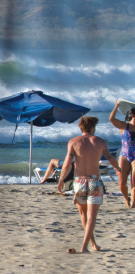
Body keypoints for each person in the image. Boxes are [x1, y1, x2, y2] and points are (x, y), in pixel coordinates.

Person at [58, 116, 121, 254]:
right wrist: (118, 169)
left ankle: (91, 244)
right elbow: (111, 158)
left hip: (79, 181)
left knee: (83, 215)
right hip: (95, 181)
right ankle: (86, 246)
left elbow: (67, 164)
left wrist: (61, 180)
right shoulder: (99, 141)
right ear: (92, 128)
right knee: (92, 216)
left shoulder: (73, 142)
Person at [109, 101, 135, 208]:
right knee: (122, 184)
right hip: (124, 155)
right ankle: (126, 199)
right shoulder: (124, 126)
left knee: (134, 180)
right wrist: (116, 106)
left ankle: (133, 203)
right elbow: (112, 119)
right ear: (133, 115)